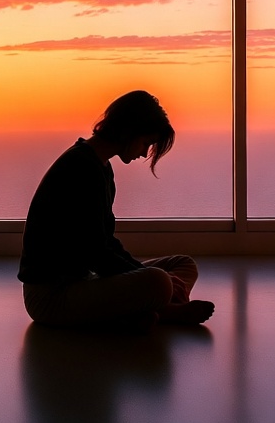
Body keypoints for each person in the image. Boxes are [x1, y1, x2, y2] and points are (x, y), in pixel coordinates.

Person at [18, 90, 215, 330]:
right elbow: (97, 253)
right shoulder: (81, 168)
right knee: (160, 282)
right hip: (52, 297)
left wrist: (141, 273)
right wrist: (151, 279)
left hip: (85, 278)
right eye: (145, 143)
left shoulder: (101, 167)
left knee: (182, 264)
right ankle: (164, 310)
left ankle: (143, 311)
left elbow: (105, 243)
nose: (144, 153)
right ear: (128, 132)